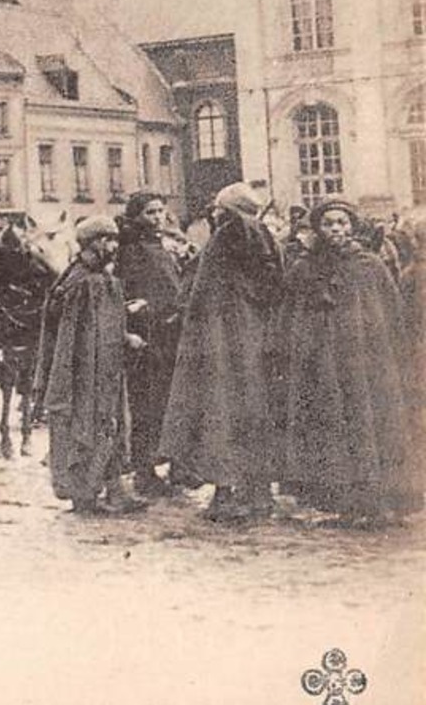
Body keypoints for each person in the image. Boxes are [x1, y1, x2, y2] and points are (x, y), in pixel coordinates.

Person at [274, 198, 420, 526]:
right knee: (334, 427)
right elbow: (291, 318)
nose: (336, 230)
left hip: (367, 365)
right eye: (329, 224)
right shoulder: (304, 269)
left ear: (351, 226)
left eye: (342, 223)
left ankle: (377, 499)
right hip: (325, 366)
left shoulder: (369, 265)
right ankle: (343, 501)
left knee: (370, 424)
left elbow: (391, 312)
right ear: (318, 228)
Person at [159, 183, 282, 522]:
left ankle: (227, 492)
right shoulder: (263, 239)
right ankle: (257, 493)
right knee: (251, 414)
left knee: (222, 414)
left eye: (218, 209)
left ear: (229, 212)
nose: (212, 214)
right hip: (251, 340)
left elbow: (204, 292)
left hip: (224, 343)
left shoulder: (228, 237)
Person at [32, 216, 147, 515]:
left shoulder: (95, 279)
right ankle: (84, 496)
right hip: (87, 375)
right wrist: (123, 337)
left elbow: (100, 326)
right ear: (95, 243)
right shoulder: (84, 283)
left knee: (112, 426)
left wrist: (123, 328)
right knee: (88, 429)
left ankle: (115, 490)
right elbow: (78, 336)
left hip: (104, 370)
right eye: (109, 240)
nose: (114, 246)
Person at [114, 193, 185, 497]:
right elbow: (129, 293)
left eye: (160, 211)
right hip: (145, 338)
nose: (157, 217)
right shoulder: (130, 249)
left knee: (167, 401)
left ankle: (171, 464)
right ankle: (144, 470)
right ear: (136, 215)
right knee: (146, 406)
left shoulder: (159, 245)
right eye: (150, 212)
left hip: (167, 335)